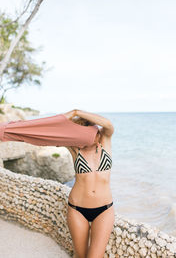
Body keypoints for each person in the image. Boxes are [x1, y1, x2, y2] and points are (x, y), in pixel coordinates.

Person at [64, 109, 115, 258]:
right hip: (77, 209)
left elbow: (108, 124)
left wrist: (76, 112)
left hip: (104, 210)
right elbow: (54, 133)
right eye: (87, 133)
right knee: (80, 256)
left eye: (95, 132)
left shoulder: (105, 141)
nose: (95, 136)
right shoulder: (74, 148)